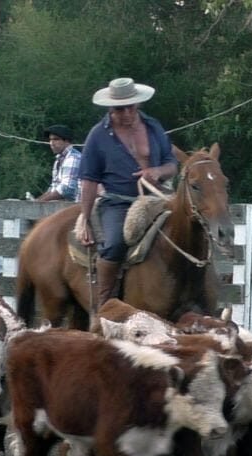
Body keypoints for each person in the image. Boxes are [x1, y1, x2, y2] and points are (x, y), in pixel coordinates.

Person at [78, 77, 178, 306]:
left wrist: (157, 171)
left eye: (129, 107)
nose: (125, 113)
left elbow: (172, 164)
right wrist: (85, 218)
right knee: (114, 243)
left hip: (157, 197)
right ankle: (105, 303)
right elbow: (89, 180)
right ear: (110, 108)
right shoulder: (98, 135)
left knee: (187, 228)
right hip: (118, 201)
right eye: (119, 109)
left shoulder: (153, 127)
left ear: (137, 104)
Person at [37, 124, 82, 202]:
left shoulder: (73, 158)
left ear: (67, 141)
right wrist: (36, 201)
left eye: (56, 139)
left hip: (76, 207)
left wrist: (40, 201)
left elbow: (67, 189)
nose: (51, 143)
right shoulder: (59, 159)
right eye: (50, 140)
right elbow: (54, 187)